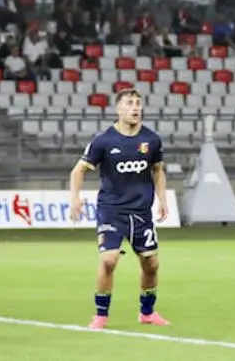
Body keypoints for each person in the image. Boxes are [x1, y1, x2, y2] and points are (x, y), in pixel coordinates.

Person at [68, 88, 170, 329]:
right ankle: (101, 315)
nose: (135, 107)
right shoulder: (104, 141)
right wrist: (75, 198)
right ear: (119, 109)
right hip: (111, 209)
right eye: (130, 103)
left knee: (151, 264)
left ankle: (147, 312)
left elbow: (158, 170)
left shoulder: (152, 140)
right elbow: (78, 170)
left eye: (138, 103)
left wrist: (163, 199)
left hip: (141, 212)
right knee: (109, 260)